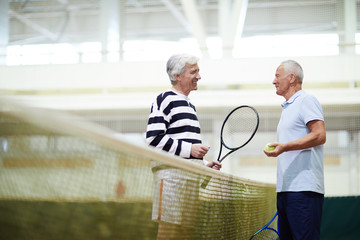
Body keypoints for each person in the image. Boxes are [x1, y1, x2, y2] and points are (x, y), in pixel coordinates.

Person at [146, 53, 222, 240]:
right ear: (177, 75)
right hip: (171, 178)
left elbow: (183, 143)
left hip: (189, 177)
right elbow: (153, 138)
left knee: (184, 233)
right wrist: (190, 149)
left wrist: (202, 164)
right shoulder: (164, 99)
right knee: (168, 232)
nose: (199, 76)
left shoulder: (190, 106)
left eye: (198, 71)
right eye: (193, 72)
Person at [264, 60, 326, 240]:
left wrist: (284, 147)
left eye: (277, 76)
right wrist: (283, 147)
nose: (274, 81)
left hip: (304, 190)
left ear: (291, 78)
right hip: (285, 191)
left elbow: (319, 135)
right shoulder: (287, 108)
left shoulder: (306, 100)